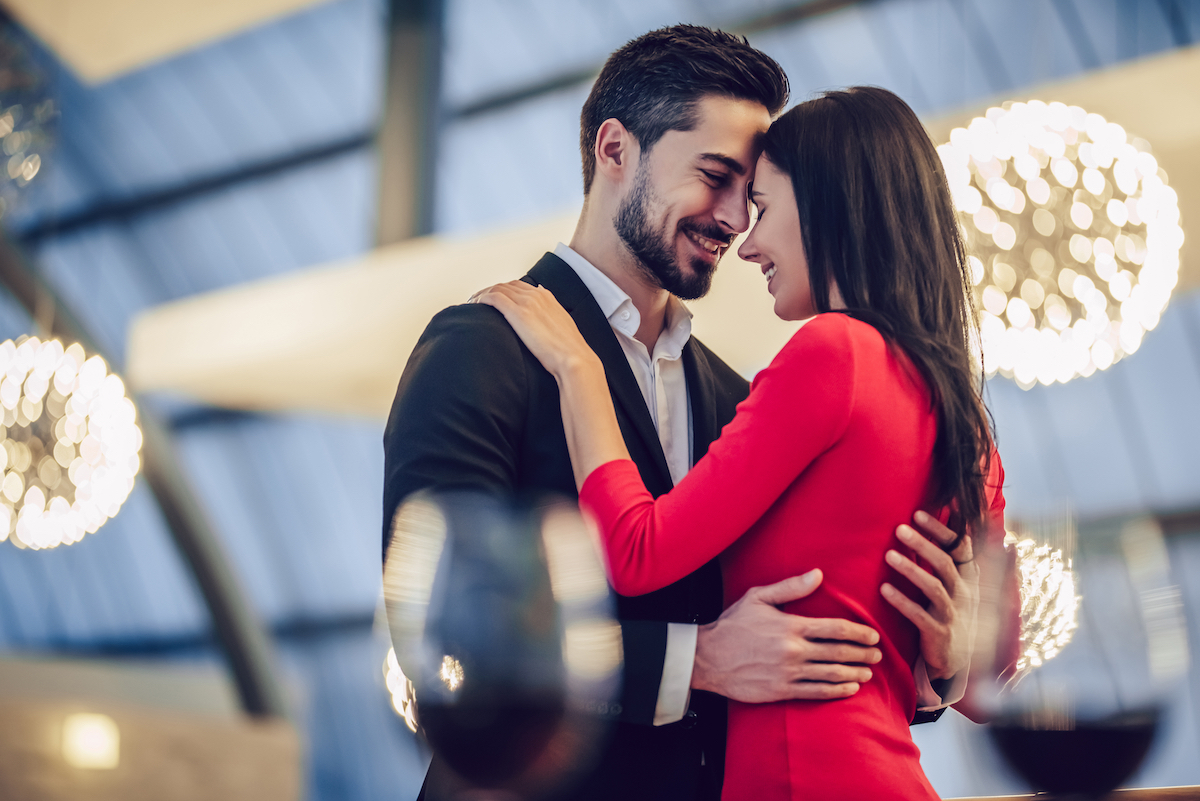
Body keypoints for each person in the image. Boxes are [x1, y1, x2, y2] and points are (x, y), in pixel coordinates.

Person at [385, 28, 978, 801]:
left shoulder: (745, 395)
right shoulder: (480, 348)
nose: (737, 217)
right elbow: (444, 639)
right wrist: (696, 661)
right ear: (614, 149)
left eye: (753, 188)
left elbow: (813, 644)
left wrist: (943, 660)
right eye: (715, 175)